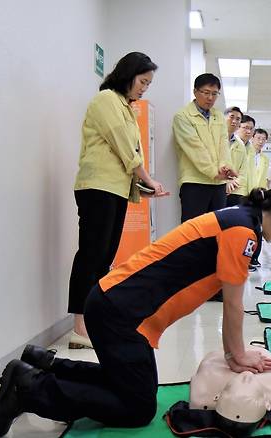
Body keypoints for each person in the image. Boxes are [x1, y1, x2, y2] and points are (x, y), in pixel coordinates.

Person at [0, 183, 271, 436]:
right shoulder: (243, 231)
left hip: (116, 306)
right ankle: (30, 389)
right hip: (121, 314)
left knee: (125, 384)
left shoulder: (240, 220)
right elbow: (233, 303)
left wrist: (235, 354)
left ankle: (43, 364)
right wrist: (238, 354)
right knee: (137, 406)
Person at [68, 52, 169, 350]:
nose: (143, 88)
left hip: (114, 189)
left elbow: (125, 159)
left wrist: (145, 187)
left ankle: (93, 320)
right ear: (128, 74)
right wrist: (147, 177)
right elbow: (124, 146)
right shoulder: (106, 100)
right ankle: (79, 327)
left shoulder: (125, 106)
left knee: (104, 257)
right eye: (142, 81)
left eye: (148, 85)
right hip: (96, 187)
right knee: (91, 255)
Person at [174, 73, 235, 223]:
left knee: (216, 230)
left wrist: (225, 168)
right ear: (195, 92)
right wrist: (214, 172)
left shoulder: (219, 116)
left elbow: (223, 145)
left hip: (218, 185)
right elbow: (194, 148)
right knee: (192, 232)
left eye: (214, 94)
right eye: (206, 93)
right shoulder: (183, 116)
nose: (210, 98)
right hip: (195, 183)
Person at [247, 128, 271, 270]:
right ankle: (245, 258)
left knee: (257, 229)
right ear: (253, 138)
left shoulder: (265, 159)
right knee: (245, 229)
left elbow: (264, 180)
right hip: (245, 195)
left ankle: (255, 257)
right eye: (258, 138)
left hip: (258, 198)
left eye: (263, 139)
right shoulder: (246, 153)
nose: (260, 141)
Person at [226, 115, 255, 207]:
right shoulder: (231, 143)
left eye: (251, 128)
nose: (249, 131)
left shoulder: (251, 149)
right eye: (245, 128)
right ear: (238, 127)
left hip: (246, 192)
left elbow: (248, 172)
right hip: (231, 190)